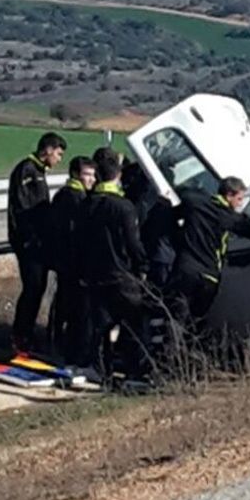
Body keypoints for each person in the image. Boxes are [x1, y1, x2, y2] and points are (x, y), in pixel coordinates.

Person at [75, 154, 168, 379]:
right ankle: (136, 372)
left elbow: (79, 239)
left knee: (100, 325)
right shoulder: (123, 206)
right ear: (118, 176)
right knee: (135, 322)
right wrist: (143, 266)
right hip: (122, 274)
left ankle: (99, 368)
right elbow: (132, 242)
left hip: (95, 273)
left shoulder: (86, 203)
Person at [166, 178, 250, 346]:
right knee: (196, 321)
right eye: (239, 199)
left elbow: (177, 208)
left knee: (175, 319)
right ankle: (188, 358)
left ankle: (170, 357)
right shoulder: (229, 216)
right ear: (229, 195)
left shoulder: (195, 203)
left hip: (184, 269)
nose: (240, 204)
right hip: (208, 276)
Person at [8, 131, 66, 352]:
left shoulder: (40, 171)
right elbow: (24, 209)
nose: (59, 159)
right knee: (32, 287)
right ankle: (20, 334)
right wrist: (31, 237)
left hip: (39, 242)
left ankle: (27, 333)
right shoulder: (27, 170)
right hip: (28, 242)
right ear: (48, 150)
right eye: (58, 154)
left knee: (38, 288)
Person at [47, 155, 96, 364]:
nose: (91, 179)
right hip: (72, 262)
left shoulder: (63, 195)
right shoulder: (75, 198)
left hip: (64, 260)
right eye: (87, 174)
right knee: (71, 305)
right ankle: (63, 346)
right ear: (76, 174)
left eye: (93, 175)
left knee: (63, 303)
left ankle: (56, 341)